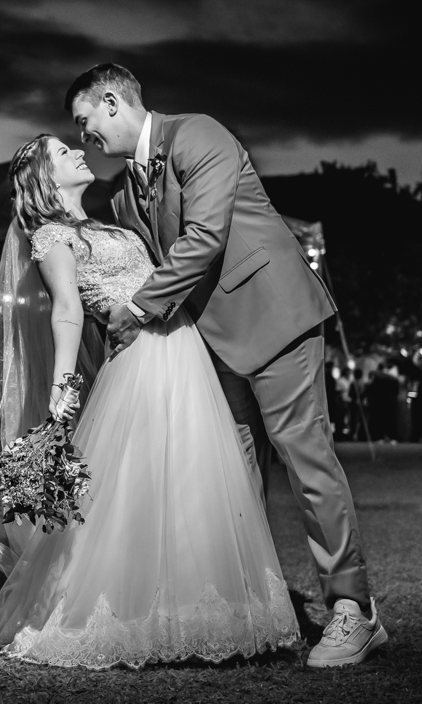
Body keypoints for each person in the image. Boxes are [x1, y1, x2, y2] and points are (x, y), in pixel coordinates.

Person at [67, 64, 385, 667]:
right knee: (232, 474)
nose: (87, 138)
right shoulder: (121, 192)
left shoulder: (199, 135)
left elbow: (206, 236)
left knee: (304, 458)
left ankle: (354, 610)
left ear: (112, 102)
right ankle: (250, 605)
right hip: (209, 344)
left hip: (275, 318)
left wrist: (138, 308)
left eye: (85, 123)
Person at [0, 134, 300, 668]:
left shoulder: (109, 225)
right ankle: (129, 607)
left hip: (184, 350)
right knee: (139, 483)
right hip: (142, 363)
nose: (78, 151)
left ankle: (197, 602)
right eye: (62, 152)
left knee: (191, 474)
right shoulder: (52, 235)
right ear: (44, 179)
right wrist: (62, 394)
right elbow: (67, 313)